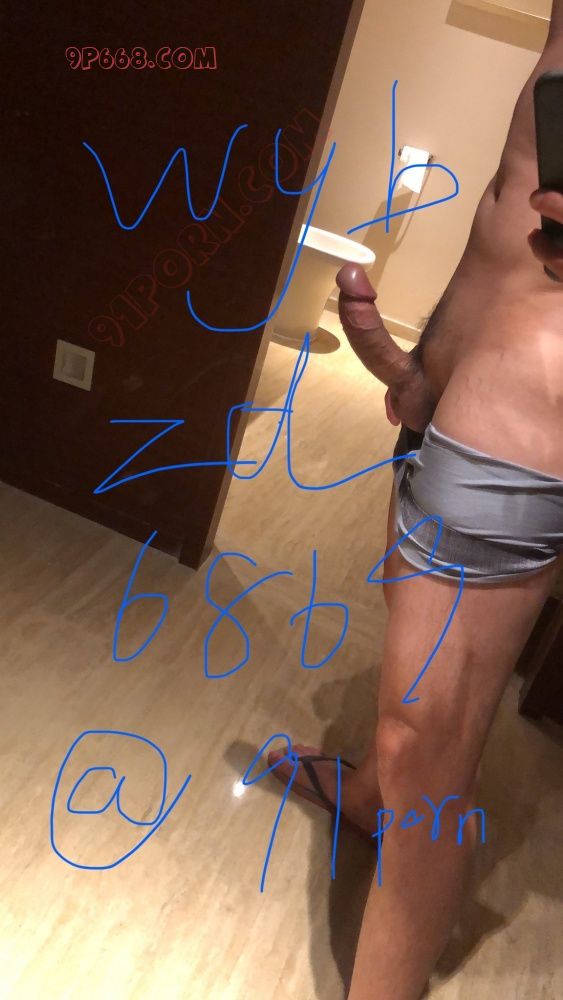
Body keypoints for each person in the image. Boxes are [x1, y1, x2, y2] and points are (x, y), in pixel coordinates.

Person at [267, 3, 563, 997]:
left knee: (427, 748)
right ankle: (366, 796)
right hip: (464, 379)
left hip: (528, 397)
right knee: (403, 650)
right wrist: (426, 365)